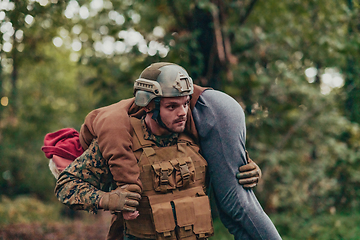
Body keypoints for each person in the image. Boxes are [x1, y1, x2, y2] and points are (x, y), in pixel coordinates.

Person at [54, 62, 281, 239]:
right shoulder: (120, 141)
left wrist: (247, 167)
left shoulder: (197, 137)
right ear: (150, 107)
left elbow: (226, 169)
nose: (182, 112)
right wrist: (108, 199)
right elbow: (66, 186)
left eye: (184, 104)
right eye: (171, 106)